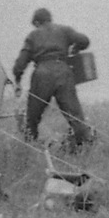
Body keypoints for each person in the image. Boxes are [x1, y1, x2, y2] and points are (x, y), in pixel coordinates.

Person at [11, 8, 94, 149]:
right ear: (50, 19)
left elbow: (20, 64)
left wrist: (18, 79)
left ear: (36, 22)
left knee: (33, 115)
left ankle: (29, 147)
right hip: (63, 70)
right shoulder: (64, 30)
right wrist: (76, 49)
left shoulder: (33, 35)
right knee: (74, 114)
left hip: (42, 73)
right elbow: (85, 40)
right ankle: (85, 146)